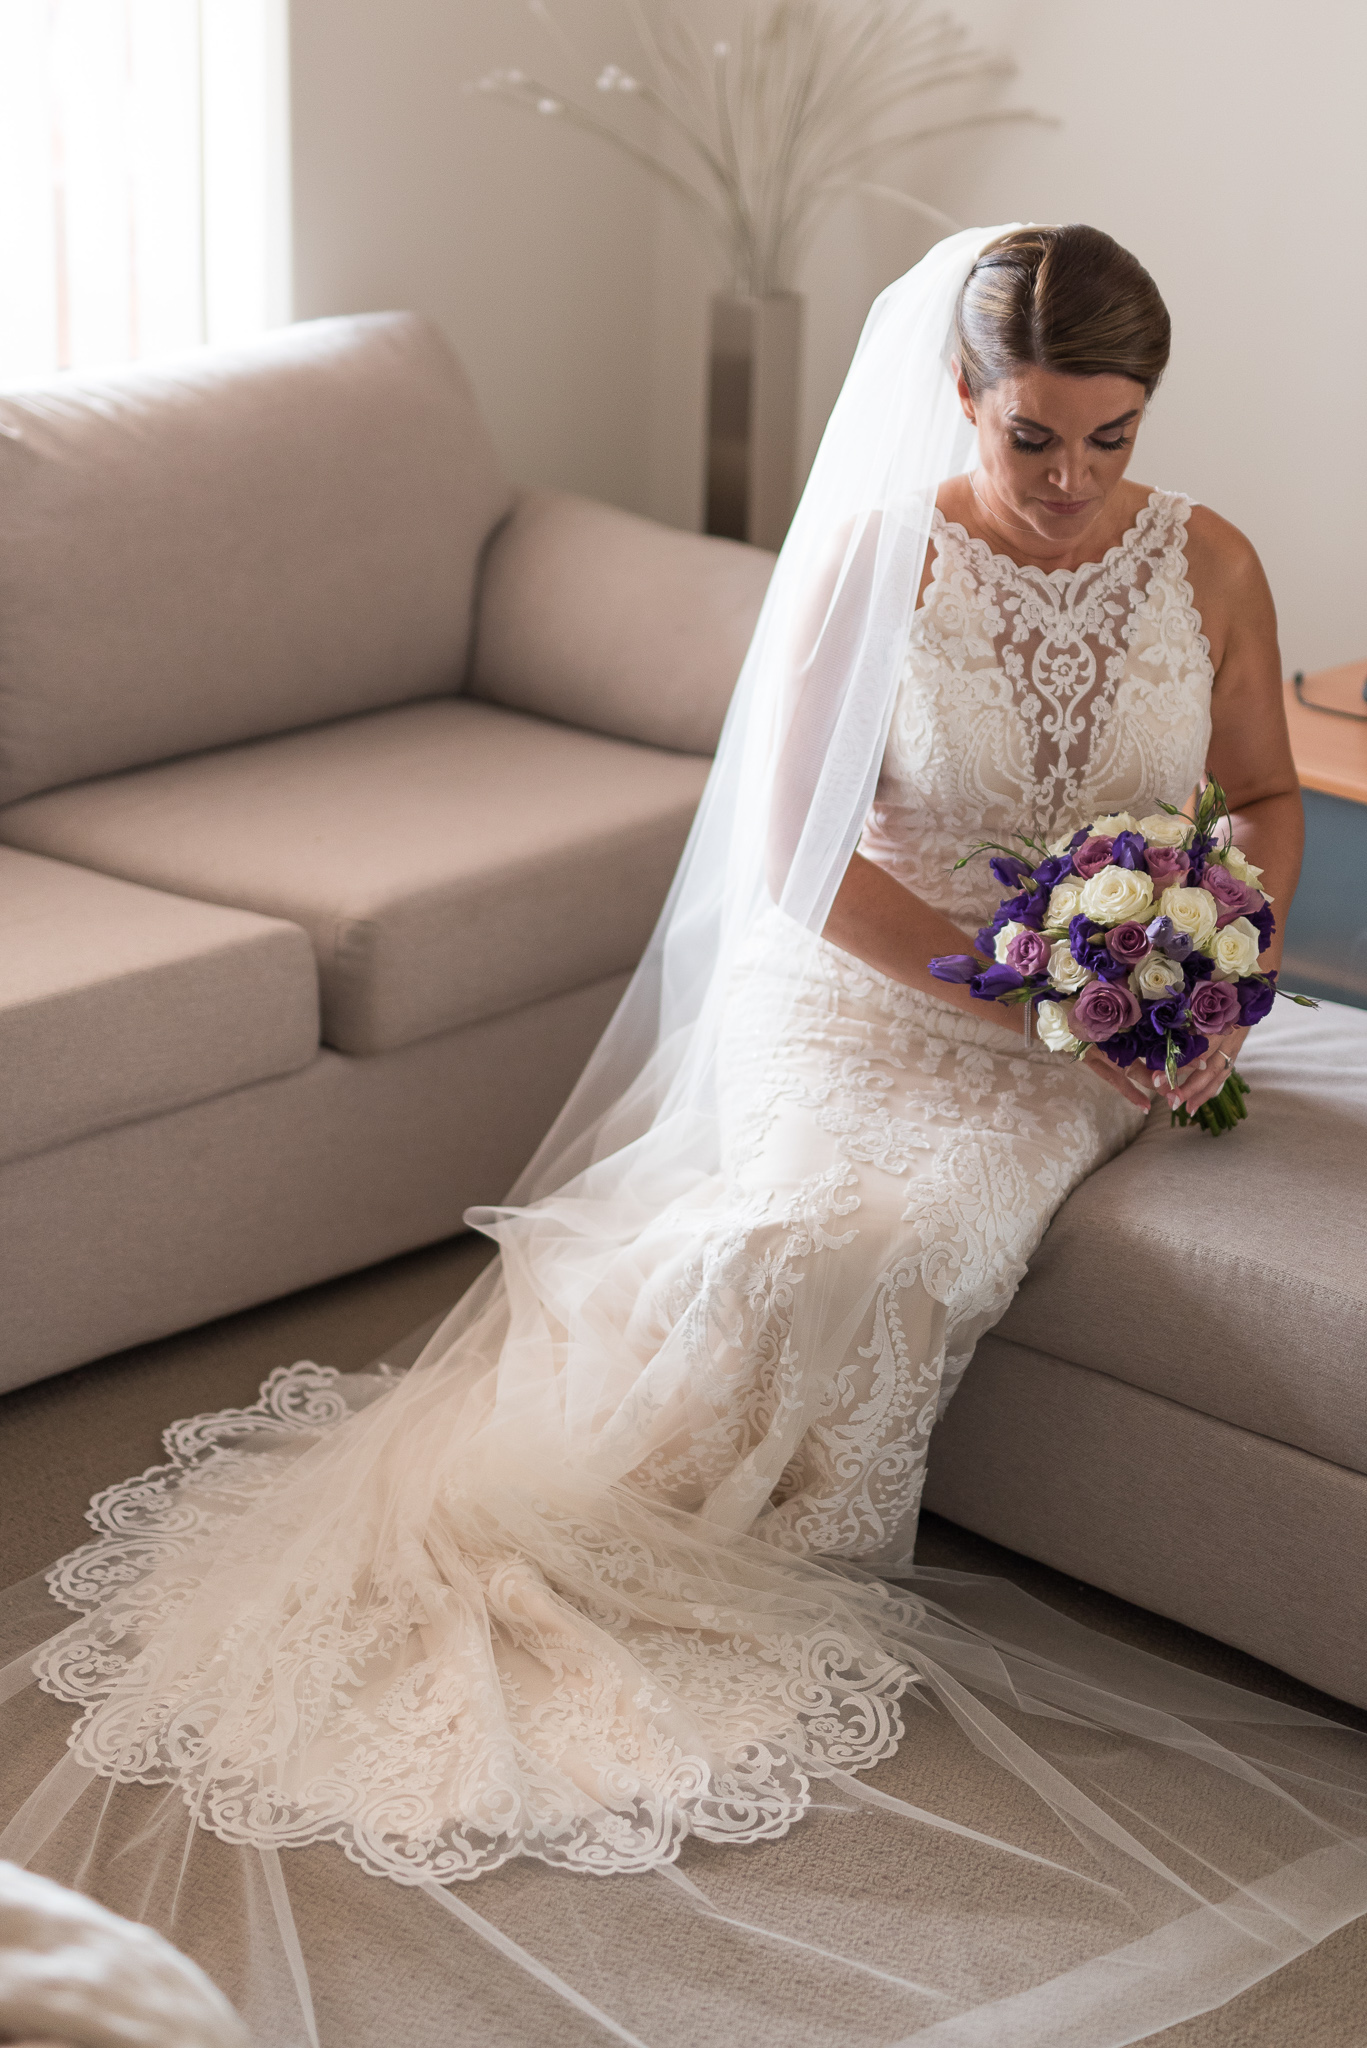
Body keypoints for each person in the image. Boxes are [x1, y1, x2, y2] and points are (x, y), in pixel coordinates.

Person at [3, 226, 1364, 2048]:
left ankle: (789, 1511)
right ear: (961, 398)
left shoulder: (1211, 559)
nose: (1070, 482)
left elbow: (1265, 789)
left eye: (1109, 438)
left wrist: (1208, 959)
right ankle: (631, 1502)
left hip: (1102, 1006)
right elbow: (808, 860)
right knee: (810, 1229)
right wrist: (1019, 989)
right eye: (1034, 435)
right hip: (892, 975)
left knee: (926, 1236)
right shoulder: (884, 560)